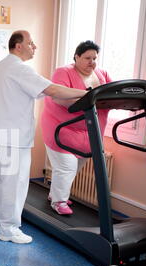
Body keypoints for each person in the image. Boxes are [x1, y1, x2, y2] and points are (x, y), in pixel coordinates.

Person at [0, 30, 87, 244]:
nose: (35, 47)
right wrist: (86, 93)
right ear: (18, 46)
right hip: (14, 138)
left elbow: (39, 92)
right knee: (15, 183)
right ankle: (9, 229)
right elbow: (52, 90)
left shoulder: (0, 67)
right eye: (31, 43)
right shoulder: (19, 68)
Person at [40, 40, 112, 215]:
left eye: (94, 58)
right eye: (87, 58)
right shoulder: (63, 72)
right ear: (76, 57)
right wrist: (91, 101)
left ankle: (55, 194)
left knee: (76, 166)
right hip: (61, 128)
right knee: (66, 166)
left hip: (89, 133)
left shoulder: (102, 74)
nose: (92, 62)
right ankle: (59, 201)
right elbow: (59, 98)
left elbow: (111, 94)